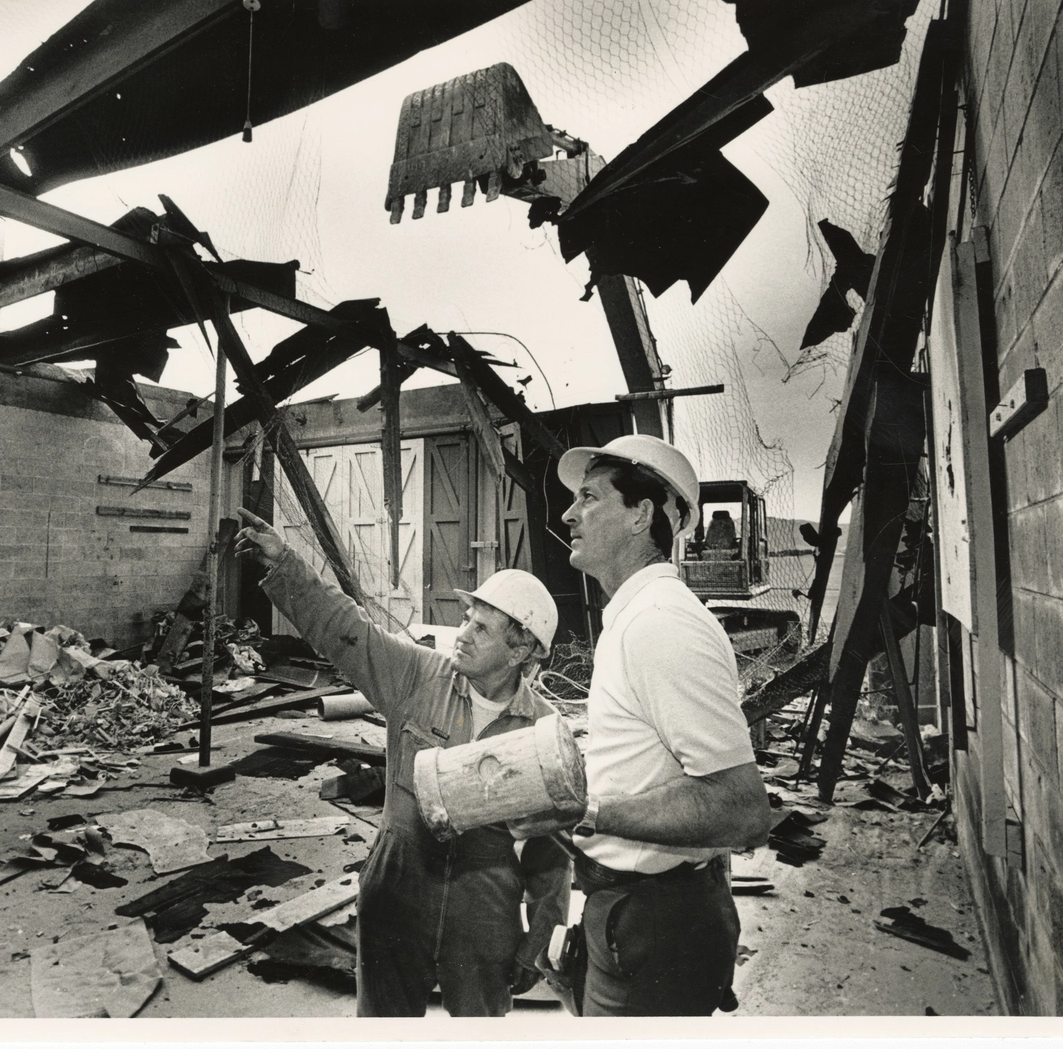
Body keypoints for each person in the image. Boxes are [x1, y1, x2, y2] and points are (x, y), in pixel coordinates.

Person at [234, 506, 571, 1017]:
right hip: (397, 881)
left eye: (482, 629)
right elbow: (347, 630)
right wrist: (285, 564)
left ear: (521, 648)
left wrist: (539, 937)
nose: (463, 633)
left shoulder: (543, 731)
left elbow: (552, 855)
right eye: (466, 620)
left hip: (484, 902)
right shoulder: (417, 675)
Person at [551, 435, 771, 1016]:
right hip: (633, 913)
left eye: (590, 497)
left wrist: (588, 810)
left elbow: (741, 810)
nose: (568, 514)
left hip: (657, 925)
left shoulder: (661, 624)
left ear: (640, 515)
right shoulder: (635, 618)